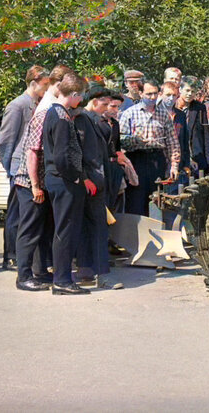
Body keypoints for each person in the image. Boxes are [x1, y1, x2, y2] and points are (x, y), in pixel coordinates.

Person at [0, 65, 50, 270]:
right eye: (45, 84)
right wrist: (12, 166)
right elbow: (5, 140)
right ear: (33, 83)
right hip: (20, 169)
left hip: (32, 168)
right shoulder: (17, 106)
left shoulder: (38, 103)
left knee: (27, 217)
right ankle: (10, 256)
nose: (47, 88)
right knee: (16, 215)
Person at [42, 72, 91, 295]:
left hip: (58, 180)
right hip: (64, 181)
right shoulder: (61, 118)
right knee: (65, 230)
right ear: (72, 94)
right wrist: (75, 176)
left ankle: (61, 278)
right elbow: (61, 156)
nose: (81, 101)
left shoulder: (54, 112)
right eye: (80, 96)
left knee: (63, 229)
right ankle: (61, 280)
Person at [13, 88, 57, 292]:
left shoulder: (48, 109)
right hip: (29, 183)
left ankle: (39, 271)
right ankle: (23, 276)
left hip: (40, 181)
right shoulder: (44, 114)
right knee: (29, 230)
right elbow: (32, 154)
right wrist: (35, 186)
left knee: (42, 229)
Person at [73, 86, 116, 289]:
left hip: (95, 180)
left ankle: (90, 270)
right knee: (94, 228)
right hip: (91, 182)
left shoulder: (92, 120)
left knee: (93, 227)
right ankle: (94, 272)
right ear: (94, 101)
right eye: (105, 104)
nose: (107, 108)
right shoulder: (85, 120)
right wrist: (86, 178)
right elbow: (82, 153)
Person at [119, 80, 180, 216]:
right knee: (135, 200)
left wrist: (174, 165)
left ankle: (156, 230)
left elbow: (172, 142)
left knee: (156, 199)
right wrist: (136, 140)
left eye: (155, 94)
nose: (152, 97)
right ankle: (136, 234)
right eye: (149, 94)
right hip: (136, 159)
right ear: (140, 94)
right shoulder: (130, 113)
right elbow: (120, 140)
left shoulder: (163, 114)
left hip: (156, 160)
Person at [175, 76, 209, 176]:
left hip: (197, 156)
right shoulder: (172, 107)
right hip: (178, 157)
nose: (189, 94)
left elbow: (206, 134)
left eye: (193, 91)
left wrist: (208, 161)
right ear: (180, 89)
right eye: (187, 90)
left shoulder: (199, 108)